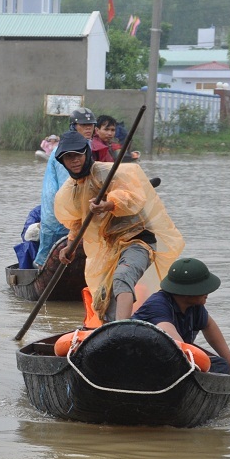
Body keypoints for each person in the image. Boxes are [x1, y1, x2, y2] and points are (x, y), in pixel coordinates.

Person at [53, 130, 184, 322]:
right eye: (68, 157)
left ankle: (122, 328)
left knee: (123, 278)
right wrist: (70, 246)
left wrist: (108, 204)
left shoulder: (108, 173)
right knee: (103, 301)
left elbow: (131, 197)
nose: (74, 161)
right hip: (110, 247)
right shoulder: (69, 190)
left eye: (78, 155)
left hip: (137, 239)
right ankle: (114, 328)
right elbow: (77, 222)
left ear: (86, 153)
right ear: (62, 161)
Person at [133, 258, 230, 377]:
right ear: (186, 292)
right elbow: (177, 345)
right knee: (211, 366)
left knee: (222, 365)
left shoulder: (194, 305)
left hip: (169, 357)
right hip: (142, 359)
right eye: (203, 289)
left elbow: (209, 326)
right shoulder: (158, 305)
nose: (208, 293)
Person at [36, 107, 98, 266]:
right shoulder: (67, 151)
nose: (88, 129)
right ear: (74, 126)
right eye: (84, 125)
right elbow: (70, 187)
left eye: (91, 125)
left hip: (66, 214)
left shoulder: (86, 147)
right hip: (59, 215)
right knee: (49, 258)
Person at [13, 205, 41, 269]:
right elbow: (27, 234)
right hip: (40, 245)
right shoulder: (37, 212)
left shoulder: (65, 210)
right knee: (28, 245)